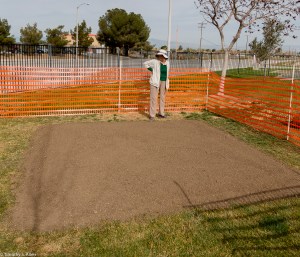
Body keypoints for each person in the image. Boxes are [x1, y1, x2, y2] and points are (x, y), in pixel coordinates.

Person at [144, 49, 170, 120]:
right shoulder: (154, 62)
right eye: (159, 56)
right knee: (153, 98)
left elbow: (167, 73)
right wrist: (152, 70)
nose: (160, 57)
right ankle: (152, 115)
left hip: (164, 82)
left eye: (162, 56)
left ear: (165, 56)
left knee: (162, 98)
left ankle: (161, 113)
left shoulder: (167, 63)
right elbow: (145, 63)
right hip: (155, 82)